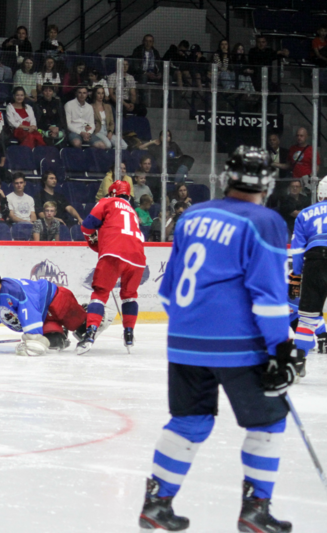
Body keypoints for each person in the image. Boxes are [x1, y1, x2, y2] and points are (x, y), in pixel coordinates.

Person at [137, 146, 294, 532]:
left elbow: (168, 292)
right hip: (240, 345)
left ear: (228, 177)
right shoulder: (265, 220)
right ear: (266, 182)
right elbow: (269, 296)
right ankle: (256, 510)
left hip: (184, 341)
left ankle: (156, 506)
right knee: (267, 423)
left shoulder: (192, 215)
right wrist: (281, 350)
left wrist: (193, 329)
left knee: (189, 422)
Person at [0, 268, 106, 355]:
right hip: (43, 316)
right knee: (53, 342)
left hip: (55, 300)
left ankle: (99, 314)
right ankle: (62, 332)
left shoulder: (12, 291)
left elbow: (27, 308)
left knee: (82, 331)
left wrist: (33, 336)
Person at [77, 180, 146, 353]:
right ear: (129, 196)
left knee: (100, 294)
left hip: (114, 254)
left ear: (112, 193)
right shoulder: (133, 212)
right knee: (129, 296)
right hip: (138, 258)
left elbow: (87, 225)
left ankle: (90, 333)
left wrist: (94, 242)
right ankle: (129, 334)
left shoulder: (107, 202)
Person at [288, 176, 327, 380]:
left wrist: (298, 272)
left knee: (307, 319)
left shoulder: (306, 213)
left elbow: (297, 248)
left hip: (315, 262)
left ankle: (298, 361)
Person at [91, 86, 126, 150]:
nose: (101, 95)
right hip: (97, 131)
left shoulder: (108, 107)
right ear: (95, 94)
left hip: (107, 130)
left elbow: (112, 122)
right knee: (108, 145)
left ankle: (112, 156)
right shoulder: (91, 107)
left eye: (102, 93)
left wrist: (110, 132)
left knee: (124, 145)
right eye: (98, 93)